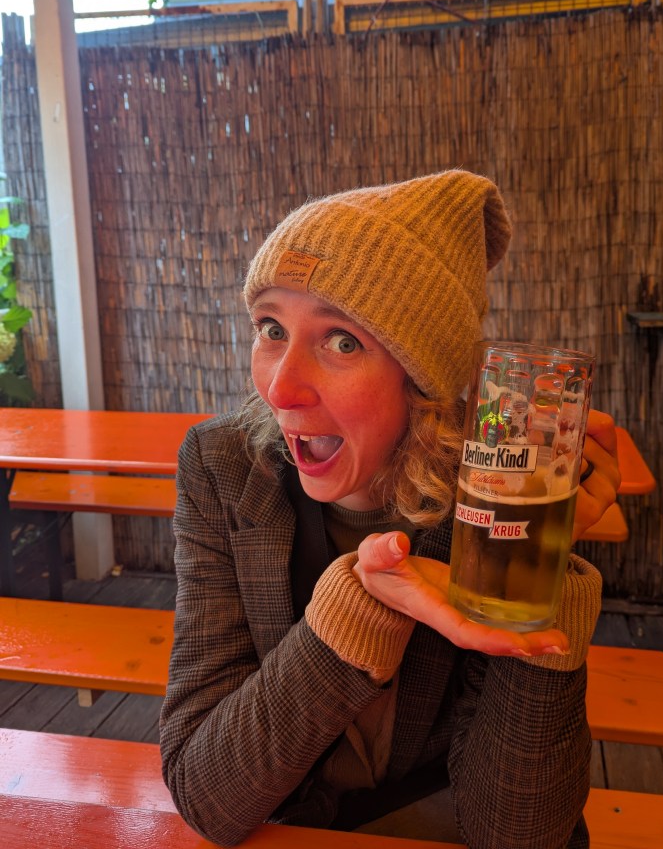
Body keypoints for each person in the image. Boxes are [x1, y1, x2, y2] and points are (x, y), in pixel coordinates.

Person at [159, 170, 620, 849]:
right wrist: (360, 604)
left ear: (422, 379)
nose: (281, 388)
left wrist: (535, 577)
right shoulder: (223, 467)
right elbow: (205, 791)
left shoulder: (495, 499)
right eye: (270, 327)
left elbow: (520, 831)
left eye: (341, 340)